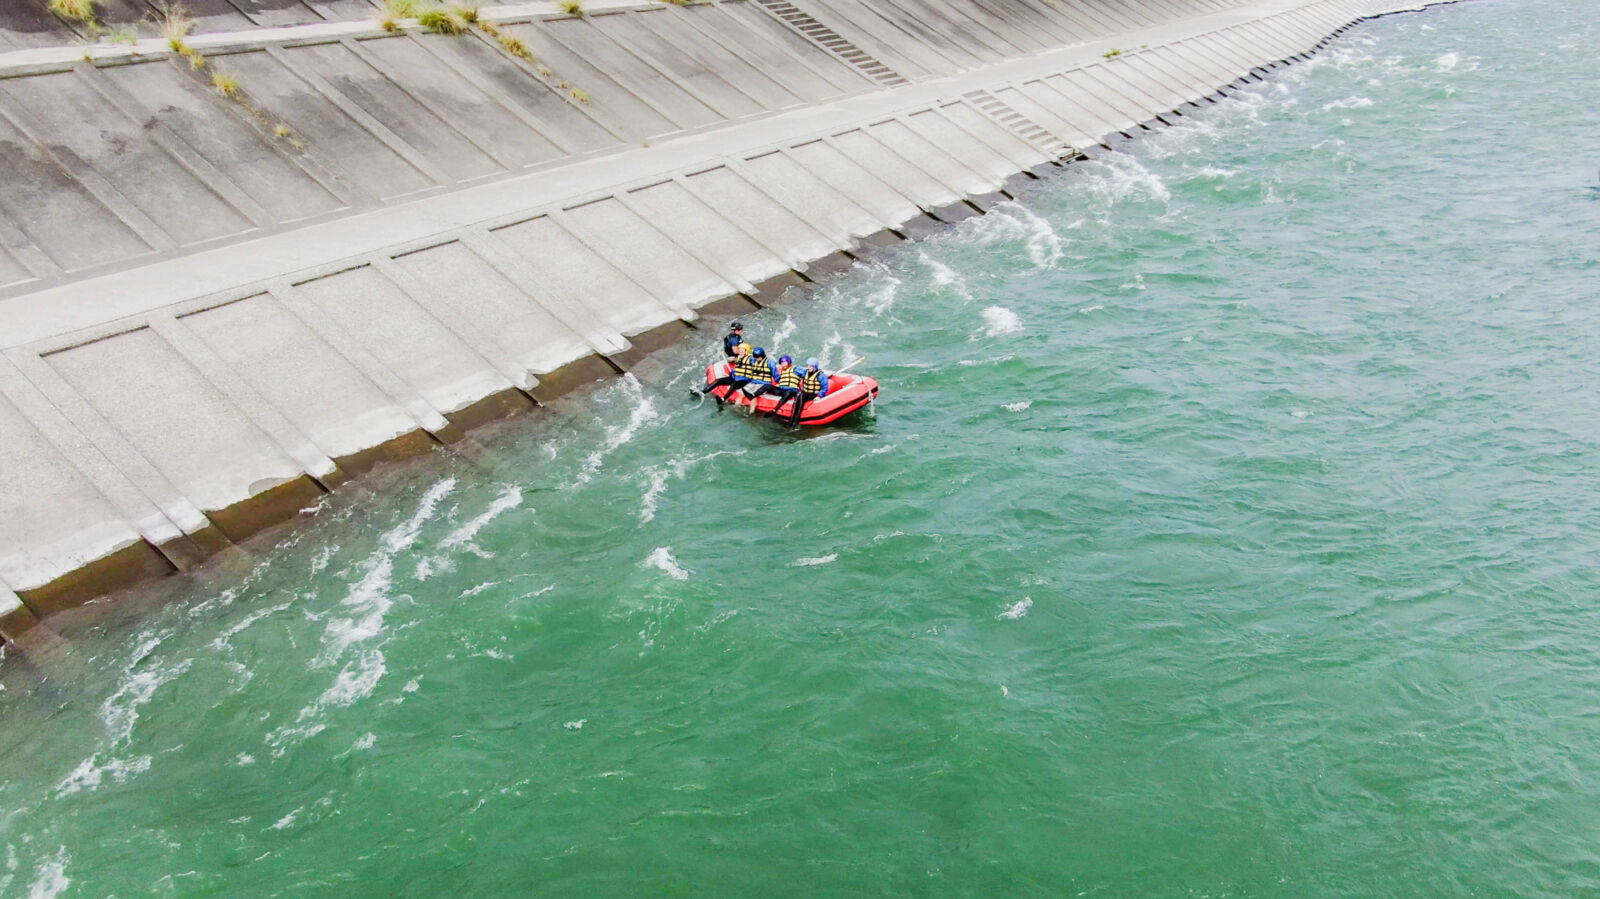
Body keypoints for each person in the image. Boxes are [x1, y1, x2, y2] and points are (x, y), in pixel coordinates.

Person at [776, 357, 830, 424]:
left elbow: (825, 387)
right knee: (798, 397)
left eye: (811, 366)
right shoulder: (805, 372)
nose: (809, 367)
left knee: (801, 395)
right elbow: (798, 376)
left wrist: (819, 396)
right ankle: (792, 419)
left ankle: (797, 419)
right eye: (808, 366)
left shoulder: (820, 375)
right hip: (806, 393)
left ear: (815, 367)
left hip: (815, 394)